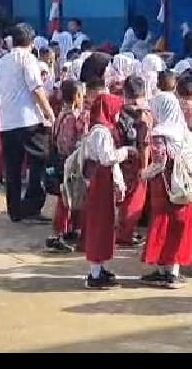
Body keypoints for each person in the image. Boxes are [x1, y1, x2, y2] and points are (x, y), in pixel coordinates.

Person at [0, 23, 56, 224]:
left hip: (7, 122)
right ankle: (33, 203)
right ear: (32, 43)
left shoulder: (3, 62)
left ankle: (15, 210)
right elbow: (36, 88)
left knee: (13, 167)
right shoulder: (28, 59)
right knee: (40, 158)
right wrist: (49, 113)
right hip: (29, 121)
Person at [139, 92, 192, 289]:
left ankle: (165, 270)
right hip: (181, 186)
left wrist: (144, 174)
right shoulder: (185, 132)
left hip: (163, 188)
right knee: (178, 226)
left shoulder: (159, 134)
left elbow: (158, 163)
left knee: (162, 225)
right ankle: (173, 271)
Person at [82, 90, 130, 290]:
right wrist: (126, 152)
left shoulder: (99, 129)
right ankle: (95, 272)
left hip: (102, 181)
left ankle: (99, 268)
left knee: (103, 224)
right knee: (99, 225)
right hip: (100, 182)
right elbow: (107, 159)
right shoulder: (101, 132)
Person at [46, 79, 88, 254]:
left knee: (69, 197)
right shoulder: (72, 118)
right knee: (67, 199)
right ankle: (58, 235)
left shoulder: (60, 115)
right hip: (69, 161)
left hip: (61, 159)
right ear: (77, 96)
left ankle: (69, 229)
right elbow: (68, 143)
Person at [116, 75, 152, 247]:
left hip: (120, 157)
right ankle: (126, 234)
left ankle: (122, 230)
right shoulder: (145, 114)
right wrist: (144, 168)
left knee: (122, 195)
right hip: (137, 160)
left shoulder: (119, 109)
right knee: (134, 198)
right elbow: (145, 144)